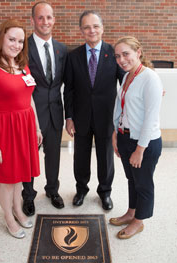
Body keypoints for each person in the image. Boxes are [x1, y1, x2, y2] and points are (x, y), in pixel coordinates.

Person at [0, 19, 42, 239]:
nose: (16, 45)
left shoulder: (22, 67)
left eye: (20, 41)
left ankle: (19, 211)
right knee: (7, 180)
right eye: (12, 39)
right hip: (4, 131)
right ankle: (9, 218)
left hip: (24, 128)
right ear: (0, 38)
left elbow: (29, 100)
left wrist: (37, 128)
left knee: (20, 176)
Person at [64, 11, 124, 210]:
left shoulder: (114, 53)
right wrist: (69, 116)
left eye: (95, 26)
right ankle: (81, 189)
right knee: (80, 157)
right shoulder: (73, 56)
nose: (92, 30)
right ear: (81, 30)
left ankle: (105, 192)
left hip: (106, 117)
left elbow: (127, 80)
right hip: (80, 117)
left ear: (102, 28)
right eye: (87, 27)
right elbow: (69, 90)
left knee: (105, 158)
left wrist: (149, 85)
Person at [110, 36, 163, 239]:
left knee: (143, 183)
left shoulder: (150, 78)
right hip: (125, 137)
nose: (121, 60)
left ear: (138, 53)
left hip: (144, 143)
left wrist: (140, 150)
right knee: (131, 180)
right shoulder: (127, 76)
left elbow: (151, 118)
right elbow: (123, 108)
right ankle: (131, 212)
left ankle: (139, 221)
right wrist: (116, 132)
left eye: (126, 54)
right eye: (117, 56)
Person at [22, 1, 67, 215]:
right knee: (29, 157)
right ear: (32, 20)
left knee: (54, 155)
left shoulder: (61, 49)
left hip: (56, 113)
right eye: (40, 17)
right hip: (31, 114)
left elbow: (69, 84)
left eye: (49, 17)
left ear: (54, 20)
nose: (45, 22)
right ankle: (28, 196)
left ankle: (52, 190)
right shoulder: (22, 48)